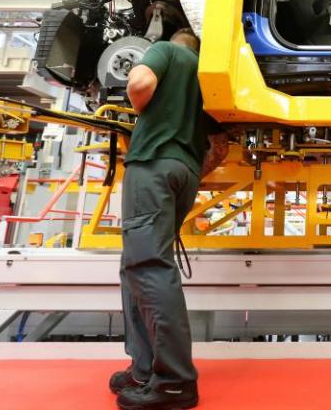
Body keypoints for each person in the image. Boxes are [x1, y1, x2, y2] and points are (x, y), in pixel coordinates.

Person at [109, 28, 229, 410]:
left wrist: (142, 107)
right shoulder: (211, 78)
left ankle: (175, 381)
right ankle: (145, 369)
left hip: (153, 165)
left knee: (147, 267)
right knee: (136, 267)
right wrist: (185, 166)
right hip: (186, 172)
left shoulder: (166, 51)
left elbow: (141, 80)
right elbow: (221, 147)